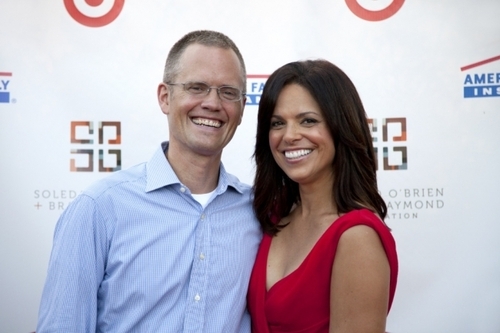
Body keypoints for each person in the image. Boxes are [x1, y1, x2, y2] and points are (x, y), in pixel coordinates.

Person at [36, 30, 262, 333]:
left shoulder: (258, 214)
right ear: (165, 97)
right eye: (197, 87)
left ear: (242, 107)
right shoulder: (99, 210)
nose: (212, 103)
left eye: (228, 92)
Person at [247, 60, 398, 333]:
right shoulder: (271, 216)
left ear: (341, 127)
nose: (290, 136)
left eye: (308, 121)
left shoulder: (357, 237)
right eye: (277, 123)